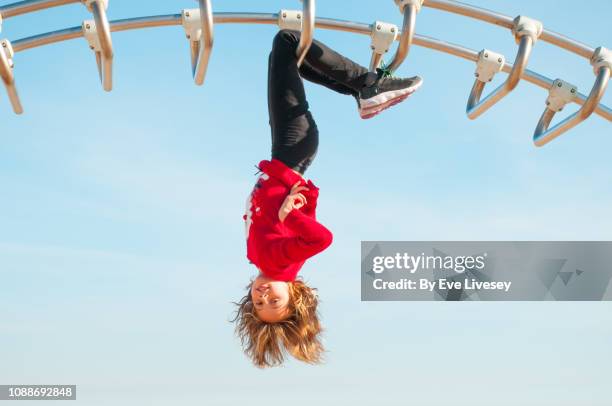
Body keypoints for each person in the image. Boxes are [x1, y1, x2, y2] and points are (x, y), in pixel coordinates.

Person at [232, 29, 422, 368]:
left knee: (286, 59)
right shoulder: (282, 263)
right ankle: (368, 85)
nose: (263, 298)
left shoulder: (265, 261)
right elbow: (322, 239)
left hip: (287, 153)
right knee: (287, 43)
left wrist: (288, 205)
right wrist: (290, 213)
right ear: (294, 297)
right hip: (292, 150)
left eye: (258, 305)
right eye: (274, 302)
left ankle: (365, 92)